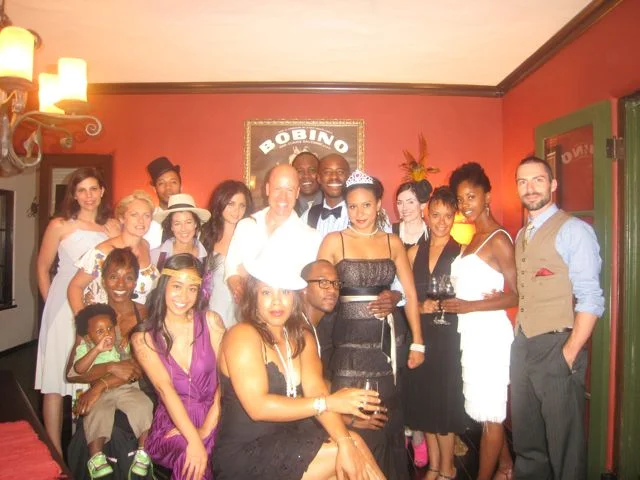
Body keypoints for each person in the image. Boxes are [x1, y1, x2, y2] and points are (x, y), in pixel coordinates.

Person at [211, 248, 384, 479]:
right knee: (346, 453)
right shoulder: (242, 335)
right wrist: (329, 403)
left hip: (289, 438)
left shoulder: (302, 337)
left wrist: (344, 440)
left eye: (284, 291)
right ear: (254, 296)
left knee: (351, 446)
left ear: (294, 296)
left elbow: (317, 390)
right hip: (247, 454)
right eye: (266, 292)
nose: (277, 301)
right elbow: (258, 407)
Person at [317, 169, 425, 479]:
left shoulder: (392, 243)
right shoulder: (334, 240)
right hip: (346, 343)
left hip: (384, 344)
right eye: (352, 206)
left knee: (385, 418)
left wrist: (418, 343)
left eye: (366, 205)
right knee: (352, 414)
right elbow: (317, 291)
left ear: (378, 205)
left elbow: (410, 294)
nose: (360, 213)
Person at [510, 156, 604, 479]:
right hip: (523, 344)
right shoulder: (522, 234)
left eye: (538, 180)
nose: (530, 188)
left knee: (565, 447)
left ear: (552, 184)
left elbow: (591, 297)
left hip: (557, 345)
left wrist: (569, 353)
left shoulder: (574, 230)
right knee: (527, 442)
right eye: (522, 182)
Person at [35, 167, 119, 455]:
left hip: (98, 307)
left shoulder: (111, 227)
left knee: (89, 374)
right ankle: (55, 450)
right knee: (56, 378)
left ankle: (83, 449)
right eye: (81, 190)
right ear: (73, 194)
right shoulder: (60, 224)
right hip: (62, 308)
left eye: (93, 188)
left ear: (102, 191)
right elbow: (42, 268)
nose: (88, 196)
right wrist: (51, 306)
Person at [442, 162, 517, 480]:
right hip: (471, 333)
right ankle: (506, 466)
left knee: (492, 416)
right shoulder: (473, 238)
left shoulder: (499, 239)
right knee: (485, 411)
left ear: (487, 196)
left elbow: (518, 295)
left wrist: (470, 305)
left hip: (490, 335)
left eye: (471, 197)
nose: (465, 205)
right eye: (460, 199)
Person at [132, 254, 225, 480]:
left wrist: (205, 430)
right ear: (164, 285)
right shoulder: (143, 338)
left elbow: (227, 379)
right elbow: (165, 390)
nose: (184, 296)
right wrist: (194, 439)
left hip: (218, 414)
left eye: (192, 289)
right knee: (190, 457)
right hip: (174, 421)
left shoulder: (211, 322)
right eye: (177, 286)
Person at [66, 247, 151, 480]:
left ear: (136, 282)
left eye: (128, 277)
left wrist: (98, 386)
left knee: (127, 426)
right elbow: (72, 373)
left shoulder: (145, 314)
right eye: (113, 276)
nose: (120, 284)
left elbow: (138, 369)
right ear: (103, 280)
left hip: (136, 391)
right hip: (99, 395)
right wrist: (111, 368)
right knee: (91, 427)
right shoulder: (92, 317)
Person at [404, 187, 467, 480]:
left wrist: (440, 305)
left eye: (448, 216)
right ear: (427, 215)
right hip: (420, 335)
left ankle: (448, 468)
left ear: (454, 217)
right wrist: (420, 306)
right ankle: (433, 466)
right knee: (424, 403)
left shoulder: (463, 253)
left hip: (449, 337)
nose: (441, 222)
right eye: (436, 215)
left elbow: (468, 297)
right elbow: (405, 296)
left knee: (444, 403)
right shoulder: (414, 251)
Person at [73, 304, 153, 479]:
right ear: (88, 336)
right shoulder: (86, 348)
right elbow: (79, 369)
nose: (107, 334)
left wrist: (125, 344)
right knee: (96, 413)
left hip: (125, 388)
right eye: (100, 331)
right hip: (100, 393)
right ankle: (96, 457)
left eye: (110, 328)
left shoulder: (119, 345)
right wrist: (96, 350)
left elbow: (133, 367)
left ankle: (143, 452)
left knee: (144, 406)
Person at [225, 163, 322, 305]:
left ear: (297, 193)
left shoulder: (311, 238)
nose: (283, 197)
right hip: (245, 311)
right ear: (267, 189)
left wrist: (249, 273)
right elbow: (232, 267)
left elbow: (301, 285)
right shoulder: (246, 225)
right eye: (277, 189)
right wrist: (235, 282)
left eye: (289, 190)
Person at [68, 190, 159, 314]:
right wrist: (83, 320)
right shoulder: (103, 252)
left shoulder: (145, 246)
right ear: (122, 218)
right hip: (106, 321)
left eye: (146, 215)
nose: (141, 221)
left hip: (138, 320)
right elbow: (75, 287)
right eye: (134, 215)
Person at [200, 180, 253, 328]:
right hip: (210, 312)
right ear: (220, 202)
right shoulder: (205, 236)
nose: (236, 211)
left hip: (240, 312)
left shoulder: (251, 238)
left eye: (242, 205)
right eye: (231, 204)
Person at [300, 260, 340, 375]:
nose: (332, 290)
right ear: (304, 288)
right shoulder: (296, 331)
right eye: (323, 282)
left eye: (336, 283)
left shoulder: (320, 329)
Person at [151, 193, 210, 270]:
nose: (183, 229)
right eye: (177, 223)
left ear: (195, 223)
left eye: (188, 222)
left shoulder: (207, 258)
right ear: (171, 226)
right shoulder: (156, 255)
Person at [302, 153, 351, 235]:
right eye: (327, 172)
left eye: (340, 172)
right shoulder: (308, 215)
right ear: (319, 178)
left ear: (348, 177)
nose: (334, 177)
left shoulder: (359, 214)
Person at [145, 156, 182, 249]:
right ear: (154, 189)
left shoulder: (194, 220)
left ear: (181, 186)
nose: (168, 187)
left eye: (173, 182)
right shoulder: (145, 221)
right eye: (161, 183)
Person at [392, 180, 432, 249]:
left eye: (410, 202)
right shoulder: (390, 232)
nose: (404, 208)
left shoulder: (432, 235)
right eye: (400, 203)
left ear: (422, 205)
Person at [291, 151, 323, 216]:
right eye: (300, 171)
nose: (306, 176)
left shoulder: (335, 202)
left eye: (312, 170)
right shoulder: (286, 204)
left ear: (319, 173)